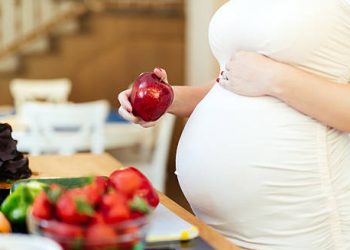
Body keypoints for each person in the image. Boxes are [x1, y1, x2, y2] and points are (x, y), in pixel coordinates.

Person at [118, 0, 350, 249]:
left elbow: (262, 78)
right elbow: (233, 82)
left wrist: (274, 78)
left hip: (301, 229)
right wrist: (167, 98)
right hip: (217, 230)